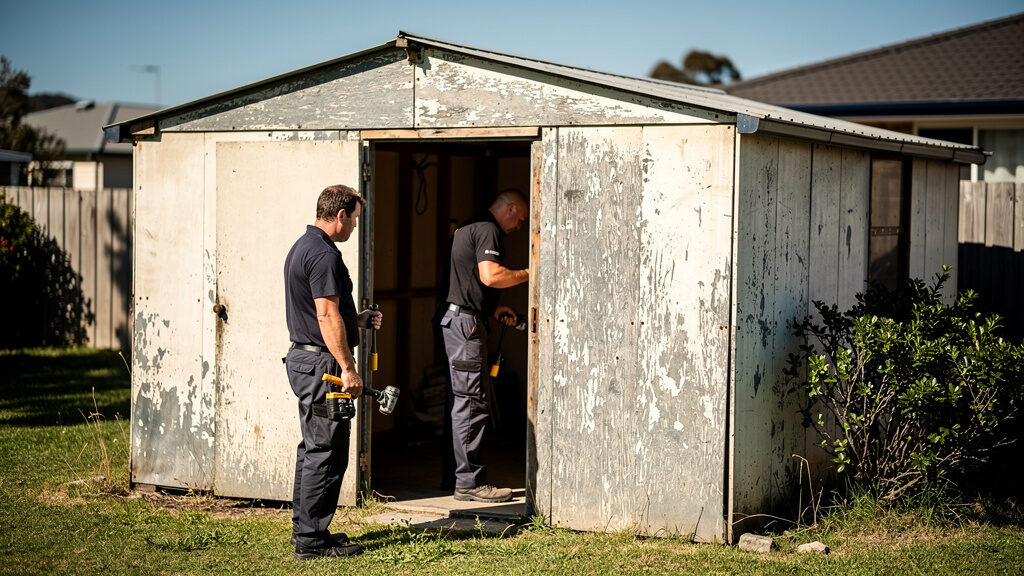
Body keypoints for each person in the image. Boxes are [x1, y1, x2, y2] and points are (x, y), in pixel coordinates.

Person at [283, 184, 382, 559]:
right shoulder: (323, 254)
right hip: (323, 366)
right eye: (355, 218)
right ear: (340, 215)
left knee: (313, 447)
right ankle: (310, 540)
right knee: (326, 449)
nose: (355, 226)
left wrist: (355, 320)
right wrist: (349, 368)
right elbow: (324, 315)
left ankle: (307, 529)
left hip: (306, 358)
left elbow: (323, 314)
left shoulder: (302, 246)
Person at [440, 190, 529, 503]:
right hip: (466, 327)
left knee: (463, 402)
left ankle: (456, 476)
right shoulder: (488, 228)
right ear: (511, 208)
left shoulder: (468, 227)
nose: (519, 226)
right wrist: (531, 273)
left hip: (462, 320)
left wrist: (491, 309)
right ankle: (469, 482)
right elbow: (490, 276)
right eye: (520, 219)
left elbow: (467, 281)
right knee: (471, 404)